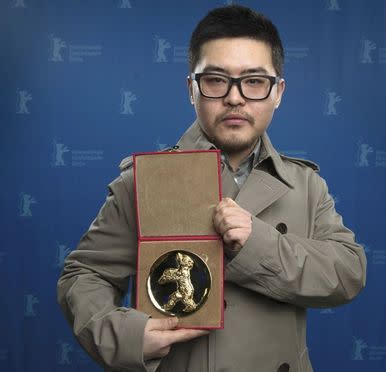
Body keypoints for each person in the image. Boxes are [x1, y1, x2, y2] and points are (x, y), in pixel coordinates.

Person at [57, 5, 367, 372]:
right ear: (192, 89)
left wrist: (258, 244)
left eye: (254, 81)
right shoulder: (144, 180)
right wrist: (128, 336)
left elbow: (348, 272)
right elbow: (83, 276)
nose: (235, 98)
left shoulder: (306, 185)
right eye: (216, 80)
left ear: (278, 92)